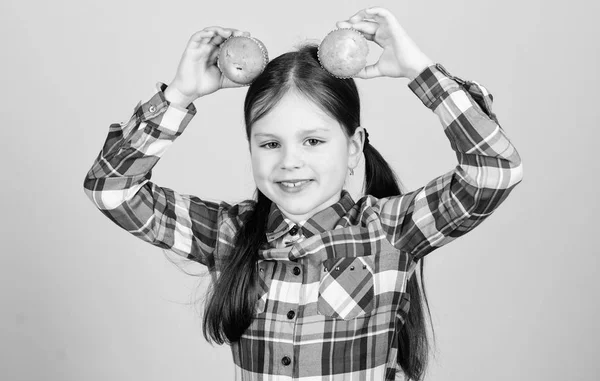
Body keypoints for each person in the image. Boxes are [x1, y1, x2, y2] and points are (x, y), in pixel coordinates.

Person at [83, 6, 523, 381]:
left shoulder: (391, 231)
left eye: (313, 141)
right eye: (270, 143)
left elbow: (495, 170)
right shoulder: (230, 234)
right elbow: (111, 190)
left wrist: (420, 72)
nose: (289, 161)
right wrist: (178, 96)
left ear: (353, 148)